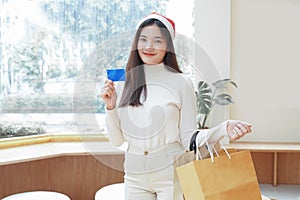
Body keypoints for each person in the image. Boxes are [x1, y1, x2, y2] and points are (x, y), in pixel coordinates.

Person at [101, 12, 252, 200]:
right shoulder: (125, 82)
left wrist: (222, 129)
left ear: (168, 47)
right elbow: (117, 141)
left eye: (158, 41)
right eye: (144, 39)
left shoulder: (181, 83)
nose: (149, 46)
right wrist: (110, 108)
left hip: (170, 173)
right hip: (134, 174)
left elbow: (188, 139)